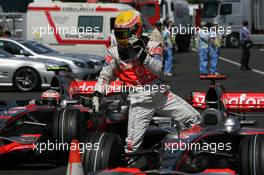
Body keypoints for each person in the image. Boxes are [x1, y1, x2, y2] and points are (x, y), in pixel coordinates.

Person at [93, 10, 201, 155]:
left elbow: (157, 69)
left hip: (160, 94)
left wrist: (141, 53)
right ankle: (128, 168)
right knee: (131, 146)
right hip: (140, 100)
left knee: (195, 119)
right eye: (118, 33)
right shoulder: (114, 52)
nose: (120, 37)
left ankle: (189, 155)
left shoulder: (153, 45)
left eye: (124, 33)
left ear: (135, 30)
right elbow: (105, 76)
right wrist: (97, 94)